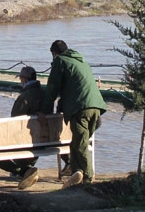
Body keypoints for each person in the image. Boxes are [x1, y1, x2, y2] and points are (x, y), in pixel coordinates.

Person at [40, 40, 107, 188]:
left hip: (80, 108)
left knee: (80, 143)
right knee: (76, 142)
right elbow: (74, 86)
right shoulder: (80, 60)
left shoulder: (60, 61)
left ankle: (88, 178)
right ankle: (77, 172)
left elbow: (52, 89)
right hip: (96, 106)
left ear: (54, 53)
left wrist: (45, 112)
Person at [0, 66, 46, 189]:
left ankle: (22, 171)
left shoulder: (24, 96)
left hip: (27, 141)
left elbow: (15, 120)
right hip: (45, 140)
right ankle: (25, 169)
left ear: (23, 79)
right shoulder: (45, 93)